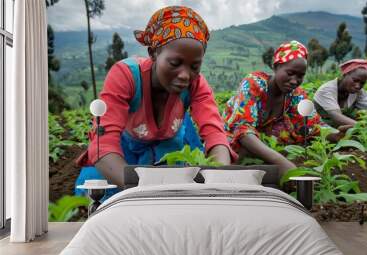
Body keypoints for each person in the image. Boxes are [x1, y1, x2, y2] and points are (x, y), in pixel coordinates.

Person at [75, 6, 236, 198]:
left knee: (181, 190)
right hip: (125, 147)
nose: (185, 75)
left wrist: (219, 180)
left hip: (170, 145)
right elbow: (105, 144)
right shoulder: (126, 76)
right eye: (175, 64)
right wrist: (137, 191)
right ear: (153, 54)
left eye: (194, 66)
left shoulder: (196, 84)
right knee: (98, 192)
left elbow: (214, 134)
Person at [223, 40, 350, 176]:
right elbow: (242, 129)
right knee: (242, 151)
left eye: (300, 76)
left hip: (265, 140)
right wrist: (280, 162)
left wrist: (337, 134)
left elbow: (314, 124)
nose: (294, 81)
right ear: (276, 66)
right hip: (233, 136)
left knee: (297, 135)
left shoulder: (297, 95)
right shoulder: (254, 84)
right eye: (290, 73)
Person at [313, 59, 367, 127]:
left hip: (340, 128)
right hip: (319, 129)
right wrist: (363, 127)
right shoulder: (326, 90)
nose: (358, 86)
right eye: (355, 80)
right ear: (345, 75)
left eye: (362, 83)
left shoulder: (358, 92)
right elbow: (337, 117)